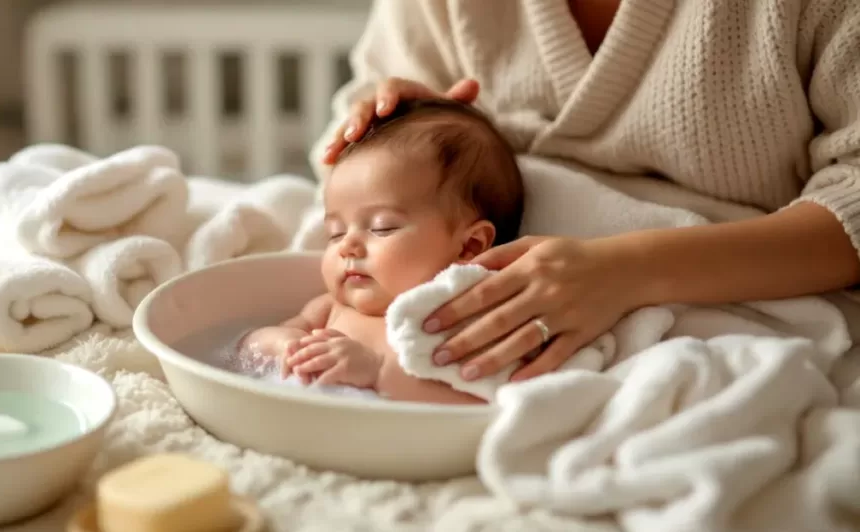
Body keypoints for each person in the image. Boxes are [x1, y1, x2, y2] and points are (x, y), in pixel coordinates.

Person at [310, 0, 860, 384]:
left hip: (736, 312)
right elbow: (348, 146)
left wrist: (629, 271)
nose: (350, 245)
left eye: (380, 230)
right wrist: (399, 131)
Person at [239, 98, 523, 404]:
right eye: (335, 233)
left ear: (470, 246)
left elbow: (477, 398)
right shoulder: (329, 309)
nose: (347, 245)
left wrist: (378, 371)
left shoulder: (460, 322)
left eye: (382, 227)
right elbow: (249, 347)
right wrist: (285, 345)